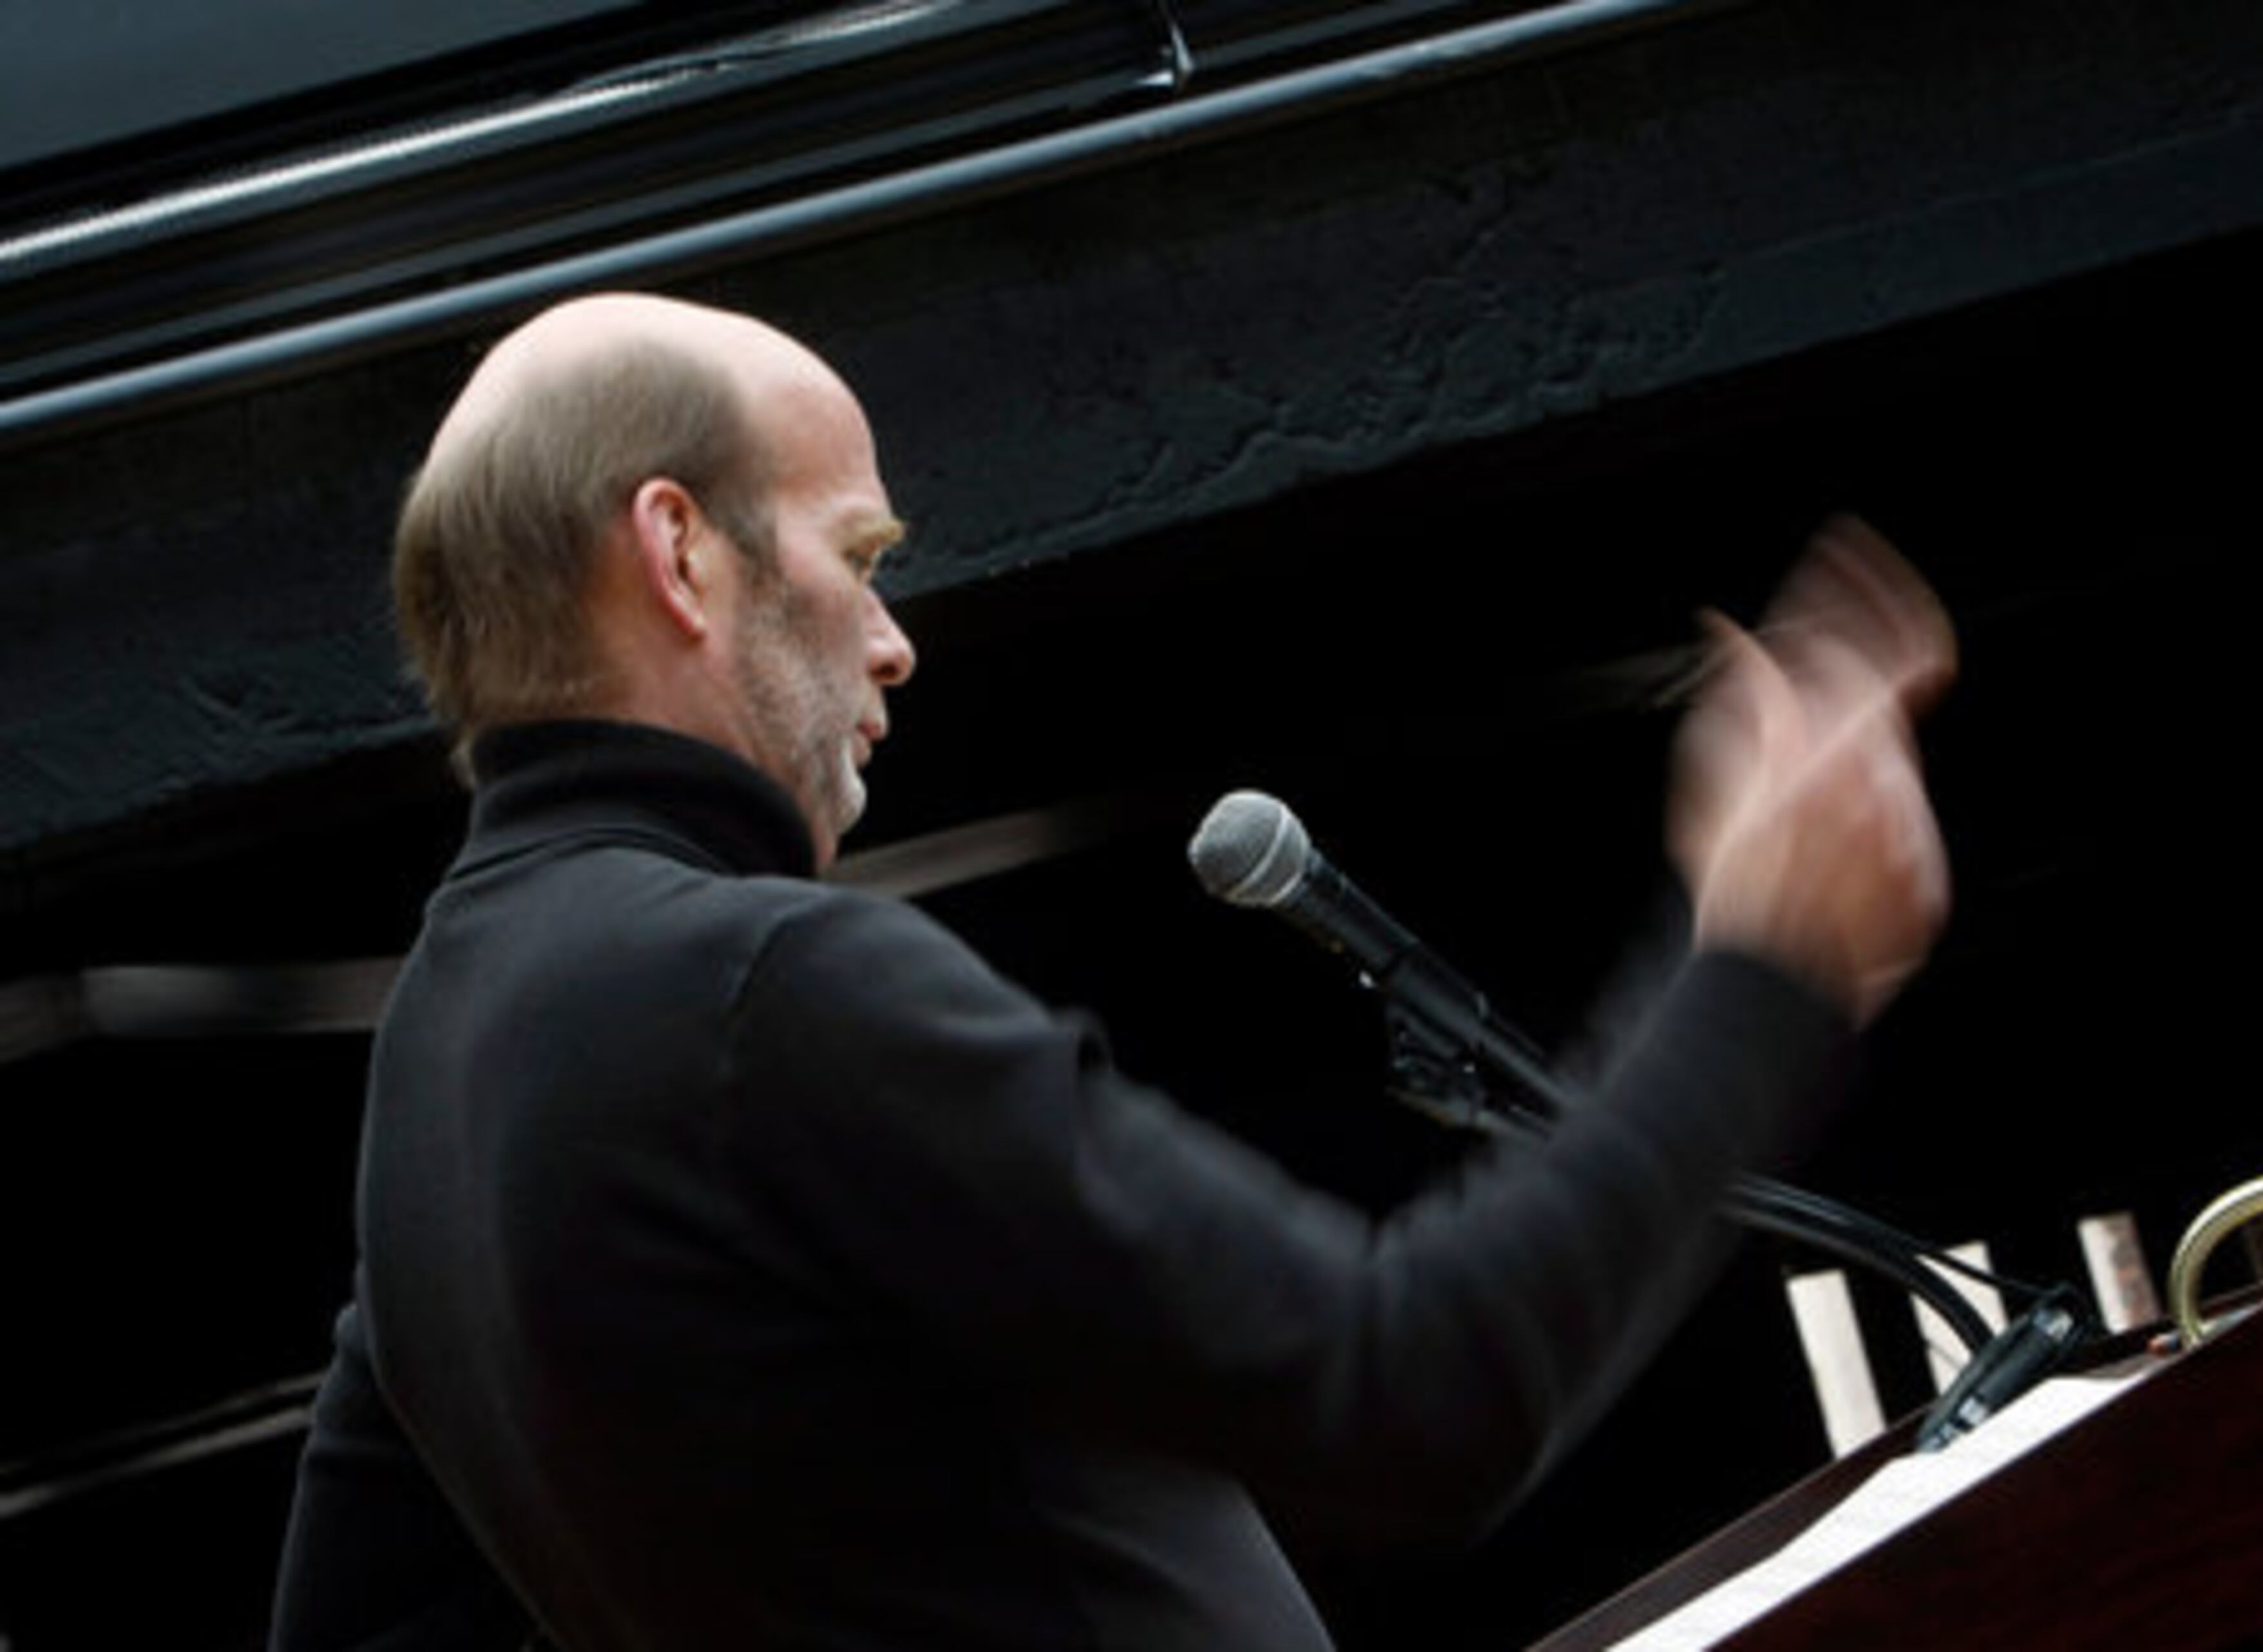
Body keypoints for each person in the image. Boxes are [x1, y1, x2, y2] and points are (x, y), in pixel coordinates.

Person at [269, 291, 1953, 1651]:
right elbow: (1411, 1392)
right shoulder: (760, 992)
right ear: (681, 552)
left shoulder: (428, 1086)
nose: (892, 638)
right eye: (856, 557)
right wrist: (1759, 969)